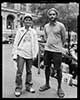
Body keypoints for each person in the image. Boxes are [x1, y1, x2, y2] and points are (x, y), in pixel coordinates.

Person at [39, 8, 67, 98]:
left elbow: (64, 38)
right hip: (47, 50)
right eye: (50, 14)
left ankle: (59, 87)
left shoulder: (61, 26)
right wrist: (48, 45)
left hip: (57, 51)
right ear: (48, 16)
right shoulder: (46, 26)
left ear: (56, 15)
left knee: (58, 69)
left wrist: (58, 47)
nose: (52, 16)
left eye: (53, 14)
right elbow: (46, 37)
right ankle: (47, 84)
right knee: (46, 67)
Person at [12, 13, 39, 97]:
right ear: (23, 21)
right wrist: (14, 54)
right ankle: (18, 88)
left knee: (29, 71)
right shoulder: (20, 31)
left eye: (29, 20)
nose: (28, 21)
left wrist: (35, 54)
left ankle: (29, 86)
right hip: (21, 54)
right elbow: (16, 43)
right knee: (19, 72)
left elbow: (35, 44)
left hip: (30, 55)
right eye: (26, 20)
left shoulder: (33, 32)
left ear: (31, 22)